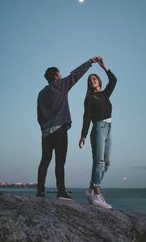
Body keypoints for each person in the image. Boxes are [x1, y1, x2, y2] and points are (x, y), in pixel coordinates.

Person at [37, 56, 101, 200]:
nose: (61, 75)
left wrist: (44, 128)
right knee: (60, 162)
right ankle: (61, 192)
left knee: (44, 161)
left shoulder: (41, 94)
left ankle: (40, 191)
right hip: (59, 130)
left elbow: (39, 116)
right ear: (56, 76)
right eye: (59, 74)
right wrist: (90, 62)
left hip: (46, 133)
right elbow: (76, 75)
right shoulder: (61, 85)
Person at [78, 58, 117, 208]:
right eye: (90, 80)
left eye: (94, 78)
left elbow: (113, 80)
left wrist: (104, 66)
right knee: (99, 162)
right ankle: (96, 194)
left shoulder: (105, 94)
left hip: (109, 128)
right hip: (98, 129)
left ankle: (90, 189)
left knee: (106, 163)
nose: (92, 80)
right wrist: (83, 135)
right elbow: (86, 117)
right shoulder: (89, 98)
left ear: (99, 81)